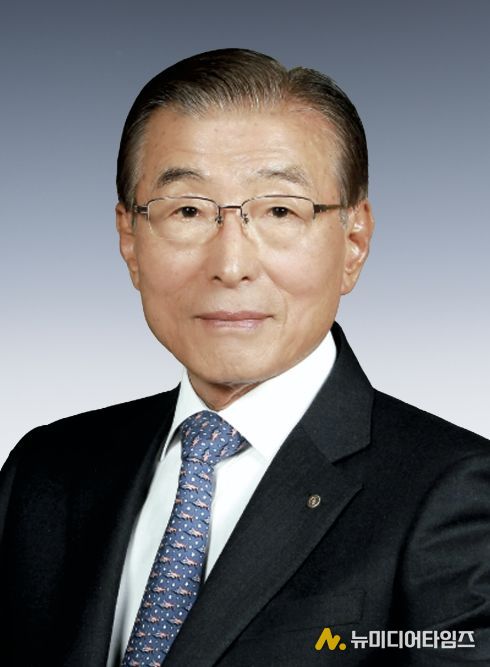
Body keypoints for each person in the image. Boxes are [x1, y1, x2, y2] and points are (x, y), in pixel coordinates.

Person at [0, 48, 489, 667]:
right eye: (187, 211)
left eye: (280, 210)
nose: (230, 266)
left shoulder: (455, 495)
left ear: (354, 242)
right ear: (129, 240)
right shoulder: (46, 470)